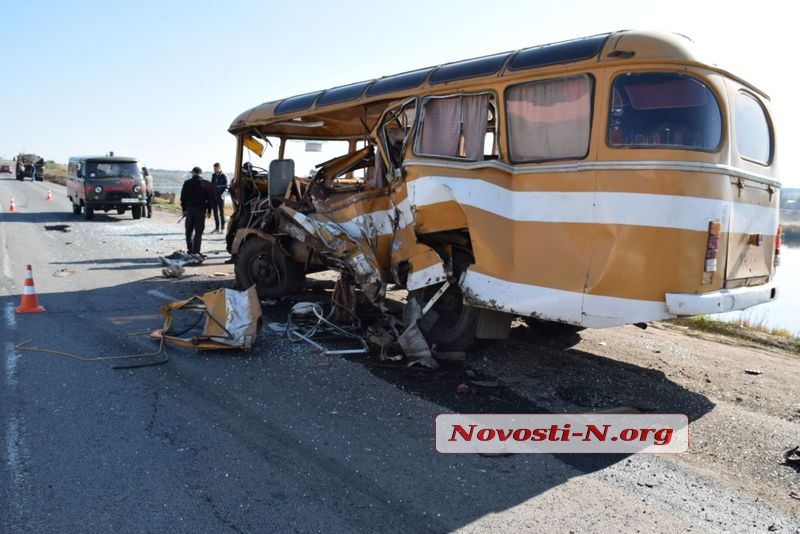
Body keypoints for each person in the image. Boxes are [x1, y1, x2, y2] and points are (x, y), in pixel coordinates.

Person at [180, 166, 214, 255]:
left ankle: (190, 249)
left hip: (190, 209)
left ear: (193, 173)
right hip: (201, 210)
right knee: (198, 232)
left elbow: (183, 198)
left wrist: (184, 209)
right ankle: (196, 251)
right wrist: (209, 210)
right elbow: (210, 199)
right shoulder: (205, 183)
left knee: (188, 231)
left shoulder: (187, 183)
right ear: (200, 173)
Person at [210, 162, 228, 233]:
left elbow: (226, 188)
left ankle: (223, 228)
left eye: (216, 168)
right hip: (214, 197)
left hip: (221, 197)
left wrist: (222, 196)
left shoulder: (224, 176)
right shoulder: (213, 175)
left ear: (219, 168)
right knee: (215, 213)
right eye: (214, 168)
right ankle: (217, 228)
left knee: (221, 212)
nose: (214, 170)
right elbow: (211, 186)